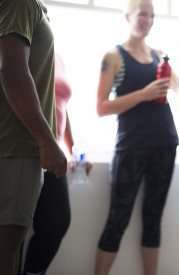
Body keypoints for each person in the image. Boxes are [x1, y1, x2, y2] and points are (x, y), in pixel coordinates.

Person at [93, 0, 179, 274]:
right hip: (130, 148)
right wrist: (144, 94)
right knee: (118, 219)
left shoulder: (160, 55)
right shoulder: (114, 56)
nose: (149, 20)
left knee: (153, 219)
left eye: (152, 15)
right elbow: (101, 107)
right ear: (128, 15)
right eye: (143, 14)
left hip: (165, 144)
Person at [19, 3, 92, 275]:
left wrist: (71, 148)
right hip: (26, 146)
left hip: (51, 148)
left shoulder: (55, 56)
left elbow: (59, 102)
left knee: (57, 222)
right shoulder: (18, 49)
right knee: (15, 230)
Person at [0, 0, 67, 274]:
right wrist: (46, 141)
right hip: (18, 143)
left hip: (21, 144)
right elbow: (13, 73)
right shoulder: (20, 2)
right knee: (7, 249)